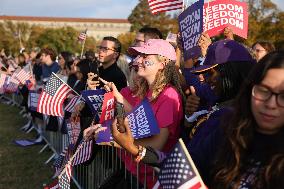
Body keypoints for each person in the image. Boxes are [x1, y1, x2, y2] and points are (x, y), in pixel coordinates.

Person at [84, 39, 185, 188]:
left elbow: (157, 145)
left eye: (145, 57)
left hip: (150, 179)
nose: (138, 60)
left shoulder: (169, 96)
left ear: (162, 64)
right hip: (134, 170)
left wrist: (111, 137)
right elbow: (140, 121)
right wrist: (117, 99)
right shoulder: (146, 91)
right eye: (139, 56)